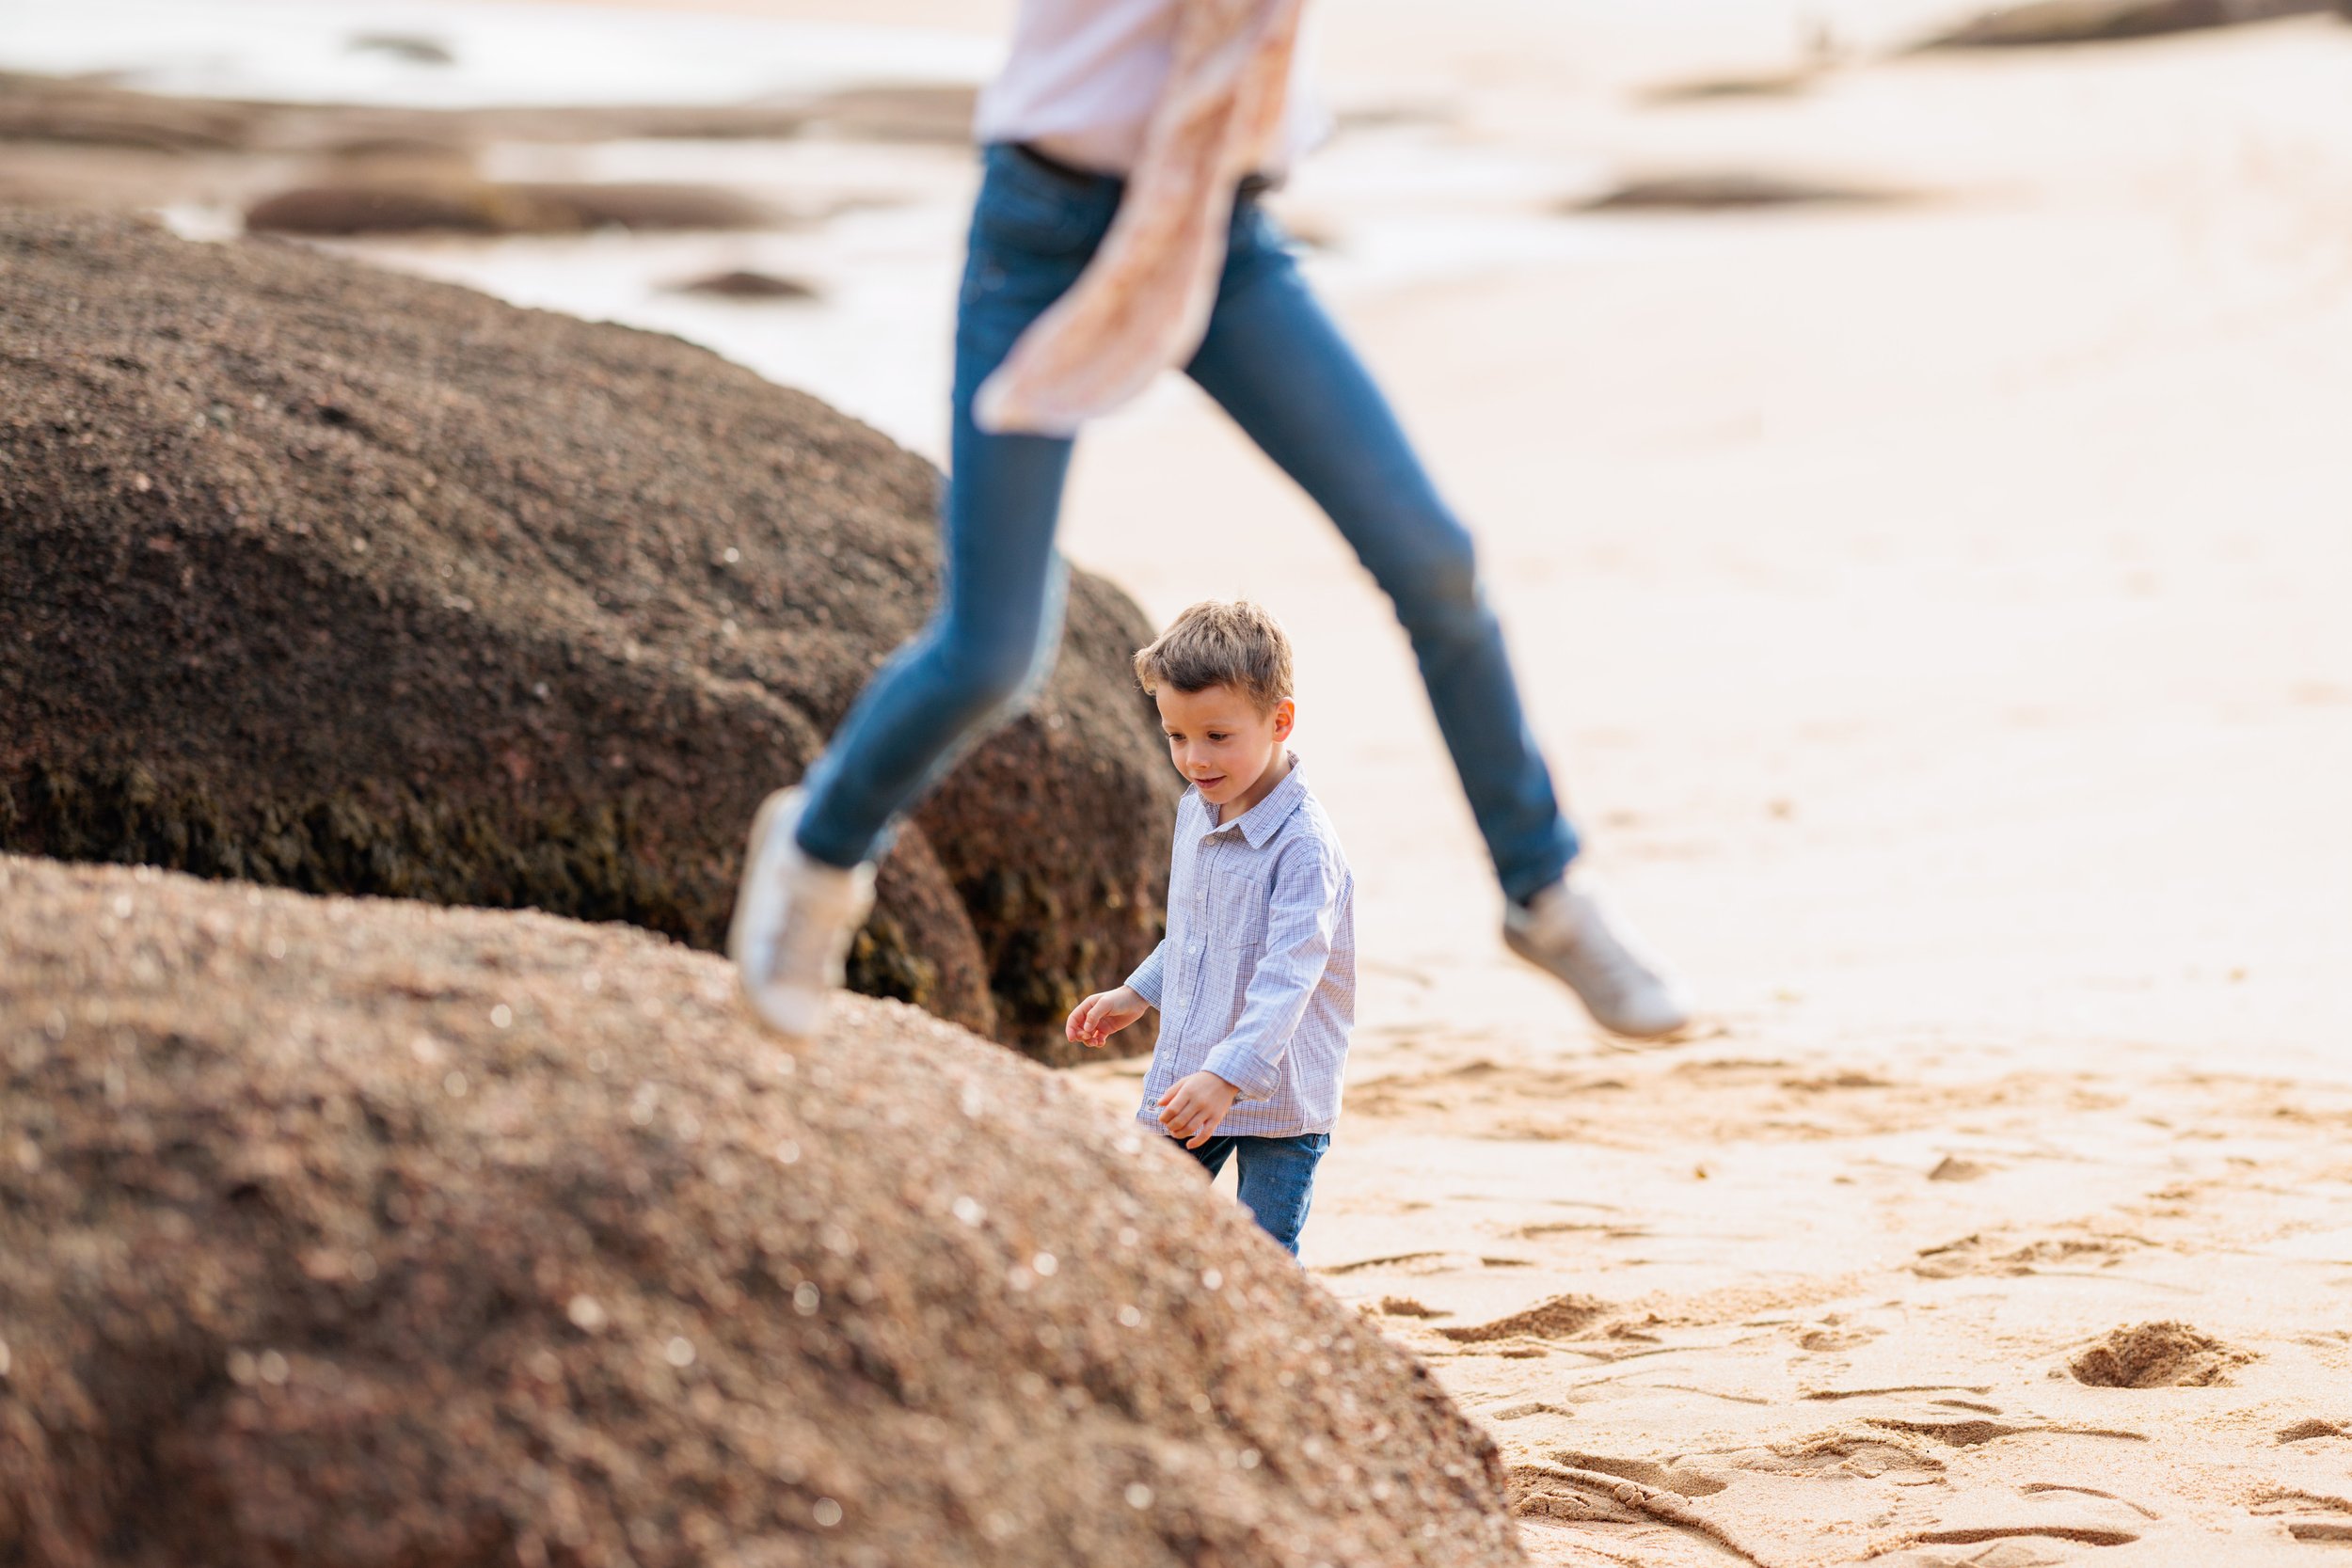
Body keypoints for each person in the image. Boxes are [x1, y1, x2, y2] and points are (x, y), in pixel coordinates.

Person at [728, 0, 1692, 1044]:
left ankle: (1541, 888)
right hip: (1047, 230)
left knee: (1433, 560)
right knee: (993, 650)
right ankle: (818, 853)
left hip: (1221, 232)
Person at [1064, 601, 1349, 1254]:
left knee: (1262, 1255)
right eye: (1176, 736)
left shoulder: (1303, 848)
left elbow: (1289, 978)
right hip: (1190, 1072)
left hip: (1278, 1096)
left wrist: (1228, 1077)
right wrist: (1135, 993)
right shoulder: (1198, 809)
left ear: (1279, 720)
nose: (1194, 758)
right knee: (1144, 1217)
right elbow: (1195, 934)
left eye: (1218, 736)